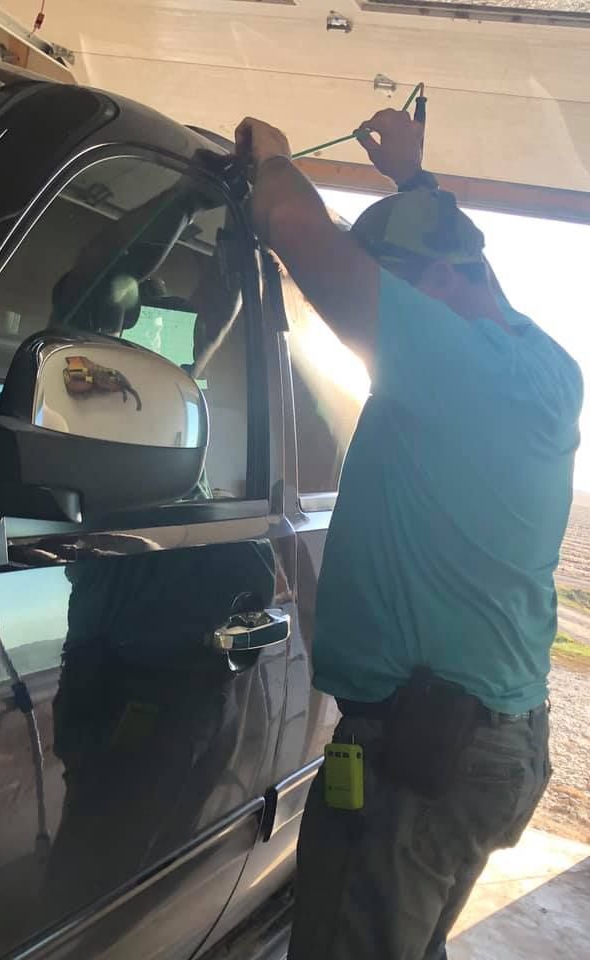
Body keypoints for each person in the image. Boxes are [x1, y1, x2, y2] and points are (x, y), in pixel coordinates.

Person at [234, 110, 582, 959]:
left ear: (434, 282)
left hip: (420, 758)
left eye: (389, 287)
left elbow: (301, 237)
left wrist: (273, 165)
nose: (375, 325)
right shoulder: (540, 363)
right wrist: (414, 185)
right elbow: (442, 257)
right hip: (485, 744)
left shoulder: (457, 366)